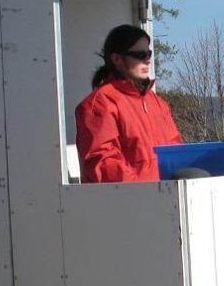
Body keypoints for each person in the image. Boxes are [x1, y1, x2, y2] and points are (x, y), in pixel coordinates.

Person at [75, 24, 182, 182]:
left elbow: (177, 152)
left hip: (166, 199)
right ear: (116, 59)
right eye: (139, 55)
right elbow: (102, 163)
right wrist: (146, 192)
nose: (147, 60)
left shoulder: (158, 104)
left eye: (149, 53)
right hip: (130, 201)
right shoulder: (101, 103)